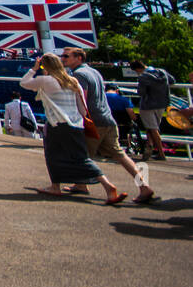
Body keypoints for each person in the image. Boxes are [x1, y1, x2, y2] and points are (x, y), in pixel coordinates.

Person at [20, 54, 126, 202]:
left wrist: (34, 68)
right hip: (76, 124)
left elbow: (24, 83)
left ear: (46, 67)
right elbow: (82, 108)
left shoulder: (47, 80)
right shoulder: (73, 81)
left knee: (53, 155)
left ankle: (57, 186)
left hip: (57, 123)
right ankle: (104, 185)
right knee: (80, 157)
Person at [65, 49, 155, 203]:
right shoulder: (94, 72)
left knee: (83, 155)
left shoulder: (78, 75)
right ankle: (144, 186)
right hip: (107, 118)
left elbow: (82, 98)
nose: (63, 58)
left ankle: (102, 187)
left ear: (78, 58)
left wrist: (76, 119)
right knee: (120, 155)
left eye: (67, 56)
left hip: (94, 120)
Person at [130, 59, 172, 160]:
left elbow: (141, 92)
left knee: (152, 128)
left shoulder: (143, 77)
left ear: (138, 69)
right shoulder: (162, 71)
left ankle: (160, 153)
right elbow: (172, 80)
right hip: (162, 104)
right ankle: (149, 147)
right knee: (152, 128)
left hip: (148, 105)